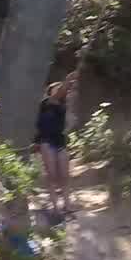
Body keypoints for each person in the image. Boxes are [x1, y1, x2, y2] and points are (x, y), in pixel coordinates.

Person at [34, 72, 78, 215]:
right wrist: (68, 79)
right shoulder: (45, 103)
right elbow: (61, 92)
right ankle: (55, 206)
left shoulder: (63, 106)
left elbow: (69, 124)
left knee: (65, 175)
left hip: (60, 141)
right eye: (56, 88)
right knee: (51, 175)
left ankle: (67, 204)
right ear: (50, 92)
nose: (60, 90)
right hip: (46, 141)